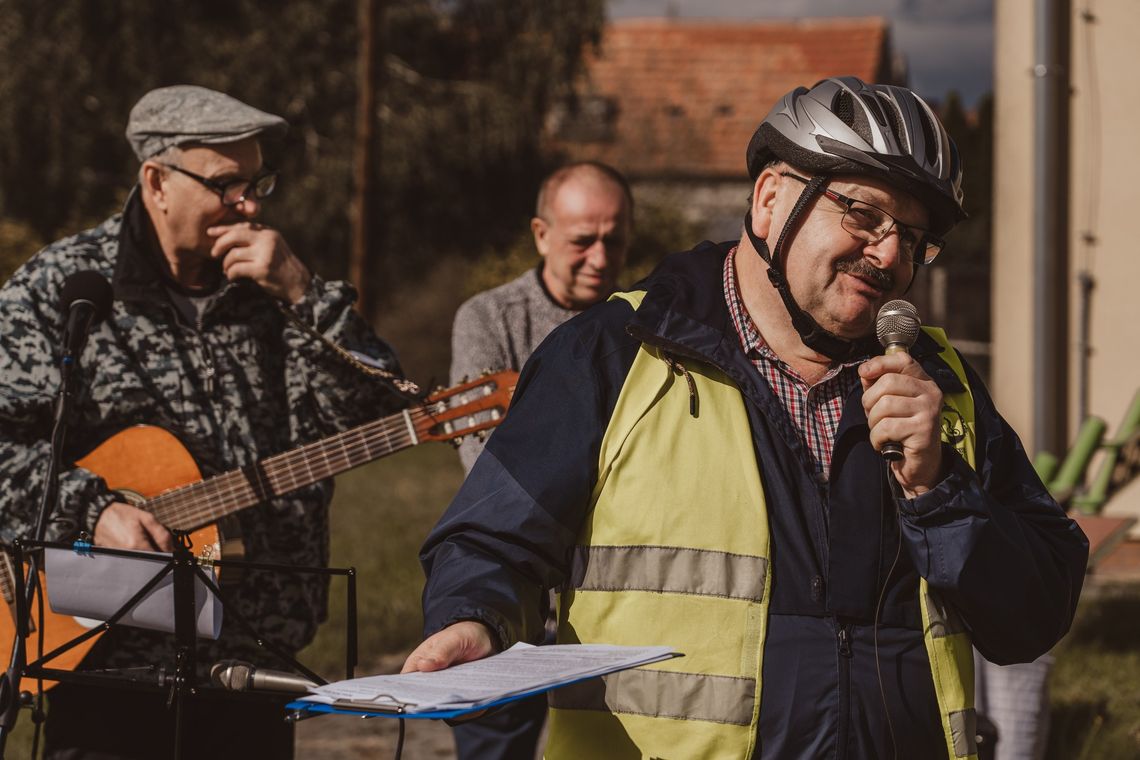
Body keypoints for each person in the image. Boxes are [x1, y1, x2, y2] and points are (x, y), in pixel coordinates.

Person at [402, 76, 1089, 759]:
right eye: (863, 213)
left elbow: (1034, 617)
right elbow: (491, 541)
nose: (889, 255)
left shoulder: (943, 389)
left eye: (912, 237)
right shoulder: (613, 353)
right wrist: (474, 617)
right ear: (769, 200)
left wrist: (941, 492)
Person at [0, 85, 407, 759]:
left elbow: (376, 411)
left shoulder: (277, 290)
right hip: (106, 667)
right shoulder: (63, 290)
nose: (248, 205)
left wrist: (306, 294)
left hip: (255, 661)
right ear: (156, 181)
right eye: (225, 185)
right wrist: (93, 509)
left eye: (255, 184)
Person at [446, 161, 632, 757]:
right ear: (541, 234)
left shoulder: (647, 321)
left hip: (611, 595)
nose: (600, 258)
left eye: (615, 239)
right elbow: (485, 466)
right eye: (583, 241)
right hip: (514, 582)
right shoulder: (488, 319)